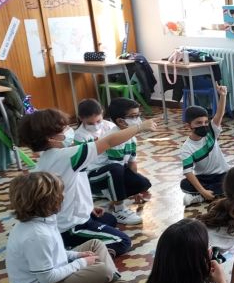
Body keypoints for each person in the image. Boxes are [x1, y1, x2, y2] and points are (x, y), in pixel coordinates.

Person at [20, 109, 157, 257]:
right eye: (63, 128)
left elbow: (69, 188)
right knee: (122, 241)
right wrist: (139, 127)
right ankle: (71, 254)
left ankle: (73, 241)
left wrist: (88, 207)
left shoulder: (49, 158)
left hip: (67, 219)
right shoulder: (66, 156)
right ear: (51, 138)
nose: (68, 130)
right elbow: (109, 141)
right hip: (70, 227)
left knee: (109, 220)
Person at [5, 172, 136, 283]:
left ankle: (109, 281)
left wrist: (76, 255)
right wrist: (81, 263)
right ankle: (106, 281)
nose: (64, 196)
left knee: (96, 244)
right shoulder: (37, 235)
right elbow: (47, 278)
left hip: (55, 271)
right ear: (47, 202)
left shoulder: (43, 219)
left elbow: (54, 253)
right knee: (103, 270)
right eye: (60, 194)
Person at [75, 98, 151, 226]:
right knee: (115, 169)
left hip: (111, 169)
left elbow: (132, 162)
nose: (96, 126)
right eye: (133, 117)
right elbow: (117, 167)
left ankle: (109, 193)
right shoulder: (84, 135)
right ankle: (119, 209)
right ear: (120, 121)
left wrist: (136, 190)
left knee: (142, 183)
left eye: (138, 116)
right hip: (93, 174)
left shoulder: (123, 133)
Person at [180, 85, 230, 207]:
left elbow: (219, 114)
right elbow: (188, 172)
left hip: (222, 175)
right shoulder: (187, 148)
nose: (203, 125)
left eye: (205, 122)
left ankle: (200, 197)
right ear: (188, 126)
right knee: (185, 184)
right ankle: (208, 194)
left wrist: (223, 95)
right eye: (198, 123)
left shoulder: (211, 132)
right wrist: (203, 190)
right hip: (204, 178)